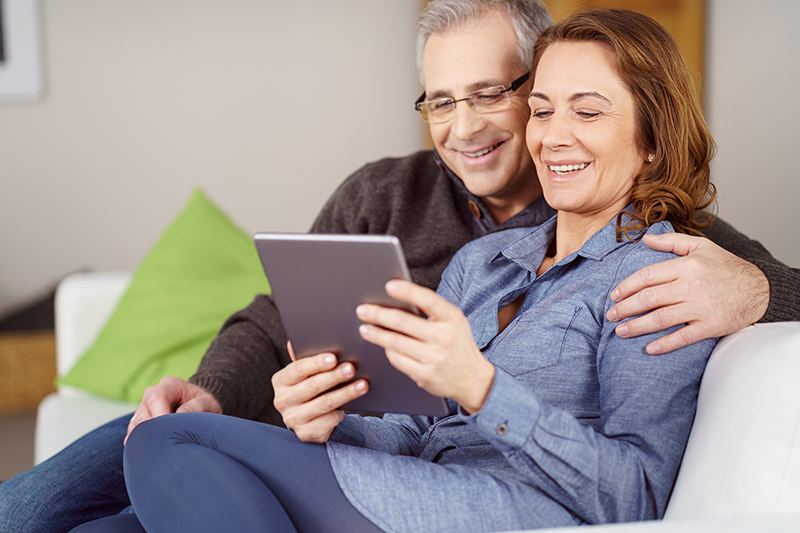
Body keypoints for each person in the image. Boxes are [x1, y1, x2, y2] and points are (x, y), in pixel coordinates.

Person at [0, 0, 797, 531]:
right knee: (135, 471)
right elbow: (282, 326)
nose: (467, 125)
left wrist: (757, 286)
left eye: (491, 94)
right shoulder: (455, 239)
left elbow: (633, 490)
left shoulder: (670, 261)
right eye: (440, 101)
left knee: (173, 450)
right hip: (361, 455)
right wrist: (293, 409)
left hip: (492, 501)